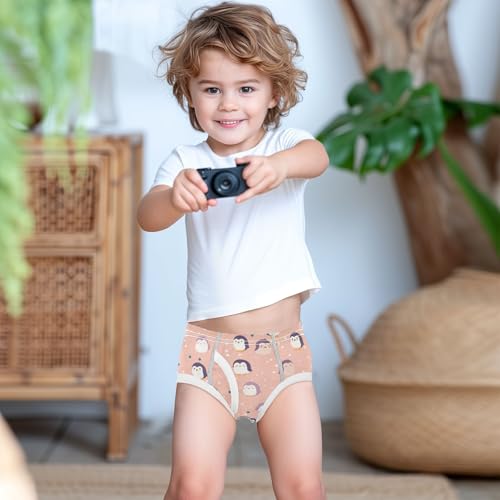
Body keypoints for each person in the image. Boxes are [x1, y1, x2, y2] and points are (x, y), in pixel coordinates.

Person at [137, 2, 329, 499]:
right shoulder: (185, 162)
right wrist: (173, 198)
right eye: (211, 89)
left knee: (303, 487)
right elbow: (148, 216)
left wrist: (279, 168)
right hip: (209, 354)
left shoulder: (284, 146)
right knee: (191, 486)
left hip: (283, 354)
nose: (228, 105)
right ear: (189, 93)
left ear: (274, 93)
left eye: (246, 89)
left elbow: (317, 157)